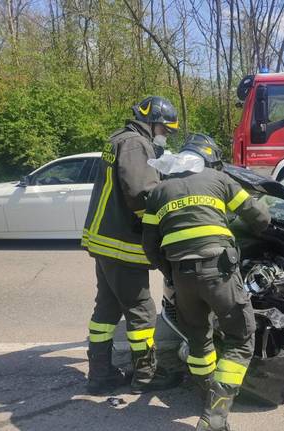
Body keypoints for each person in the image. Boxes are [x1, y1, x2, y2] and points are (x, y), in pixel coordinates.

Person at [141, 136, 270, 431]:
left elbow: (150, 247)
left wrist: (172, 272)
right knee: (241, 339)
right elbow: (259, 217)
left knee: (199, 339)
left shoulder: (159, 191)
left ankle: (206, 395)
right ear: (208, 159)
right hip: (219, 273)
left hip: (182, 278)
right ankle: (215, 415)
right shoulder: (219, 179)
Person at [82, 96, 182, 395]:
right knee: (141, 309)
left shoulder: (118, 139)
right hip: (122, 242)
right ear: (152, 122)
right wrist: (163, 223)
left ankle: (100, 375)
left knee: (107, 308)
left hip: (104, 240)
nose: (165, 135)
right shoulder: (137, 144)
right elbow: (141, 194)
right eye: (164, 129)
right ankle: (146, 375)